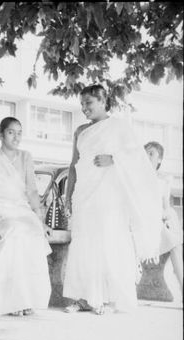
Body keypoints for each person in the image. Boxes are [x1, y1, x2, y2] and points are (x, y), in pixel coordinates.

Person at [62, 85, 162, 315]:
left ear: (102, 100)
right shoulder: (80, 130)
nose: (84, 108)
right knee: (84, 243)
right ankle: (85, 297)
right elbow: (73, 164)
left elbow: (138, 159)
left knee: (108, 241)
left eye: (89, 103)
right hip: (84, 194)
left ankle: (109, 299)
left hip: (109, 195)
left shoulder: (119, 127)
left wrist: (114, 159)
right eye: (82, 104)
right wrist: (68, 195)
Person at [0, 117, 52, 317]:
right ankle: (8, 300)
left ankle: (26, 299)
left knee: (32, 233)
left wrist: (40, 221)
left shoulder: (25, 157)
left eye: (19, 132)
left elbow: (32, 191)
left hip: (20, 209)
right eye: (11, 132)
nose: (16, 137)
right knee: (14, 232)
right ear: (1, 134)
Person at [144, 141, 183, 292]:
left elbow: (165, 205)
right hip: (140, 224)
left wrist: (165, 216)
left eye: (151, 153)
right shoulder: (137, 177)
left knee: (175, 243)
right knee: (174, 240)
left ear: (159, 159)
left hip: (156, 223)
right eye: (146, 153)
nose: (147, 156)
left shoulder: (163, 179)